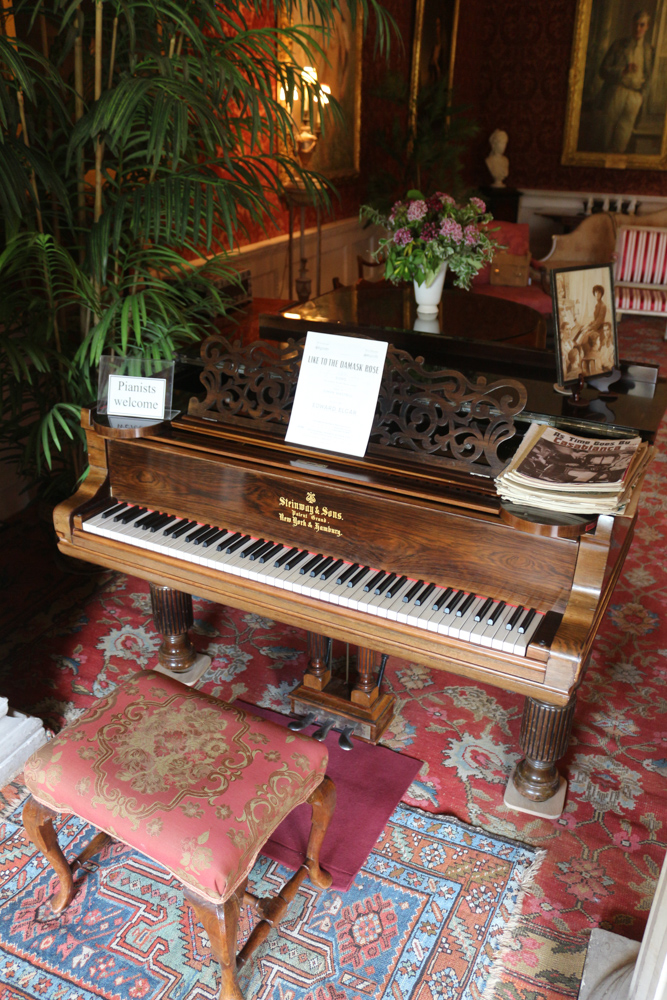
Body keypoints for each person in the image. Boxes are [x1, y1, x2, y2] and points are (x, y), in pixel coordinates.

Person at [597, 10, 655, 153]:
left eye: (642, 25)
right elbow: (602, 70)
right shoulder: (619, 44)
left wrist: (641, 95)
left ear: (647, 27)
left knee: (623, 136)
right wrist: (622, 70)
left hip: (635, 96)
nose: (638, 29)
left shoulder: (649, 50)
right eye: (635, 25)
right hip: (617, 91)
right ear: (631, 25)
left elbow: (649, 76)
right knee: (605, 132)